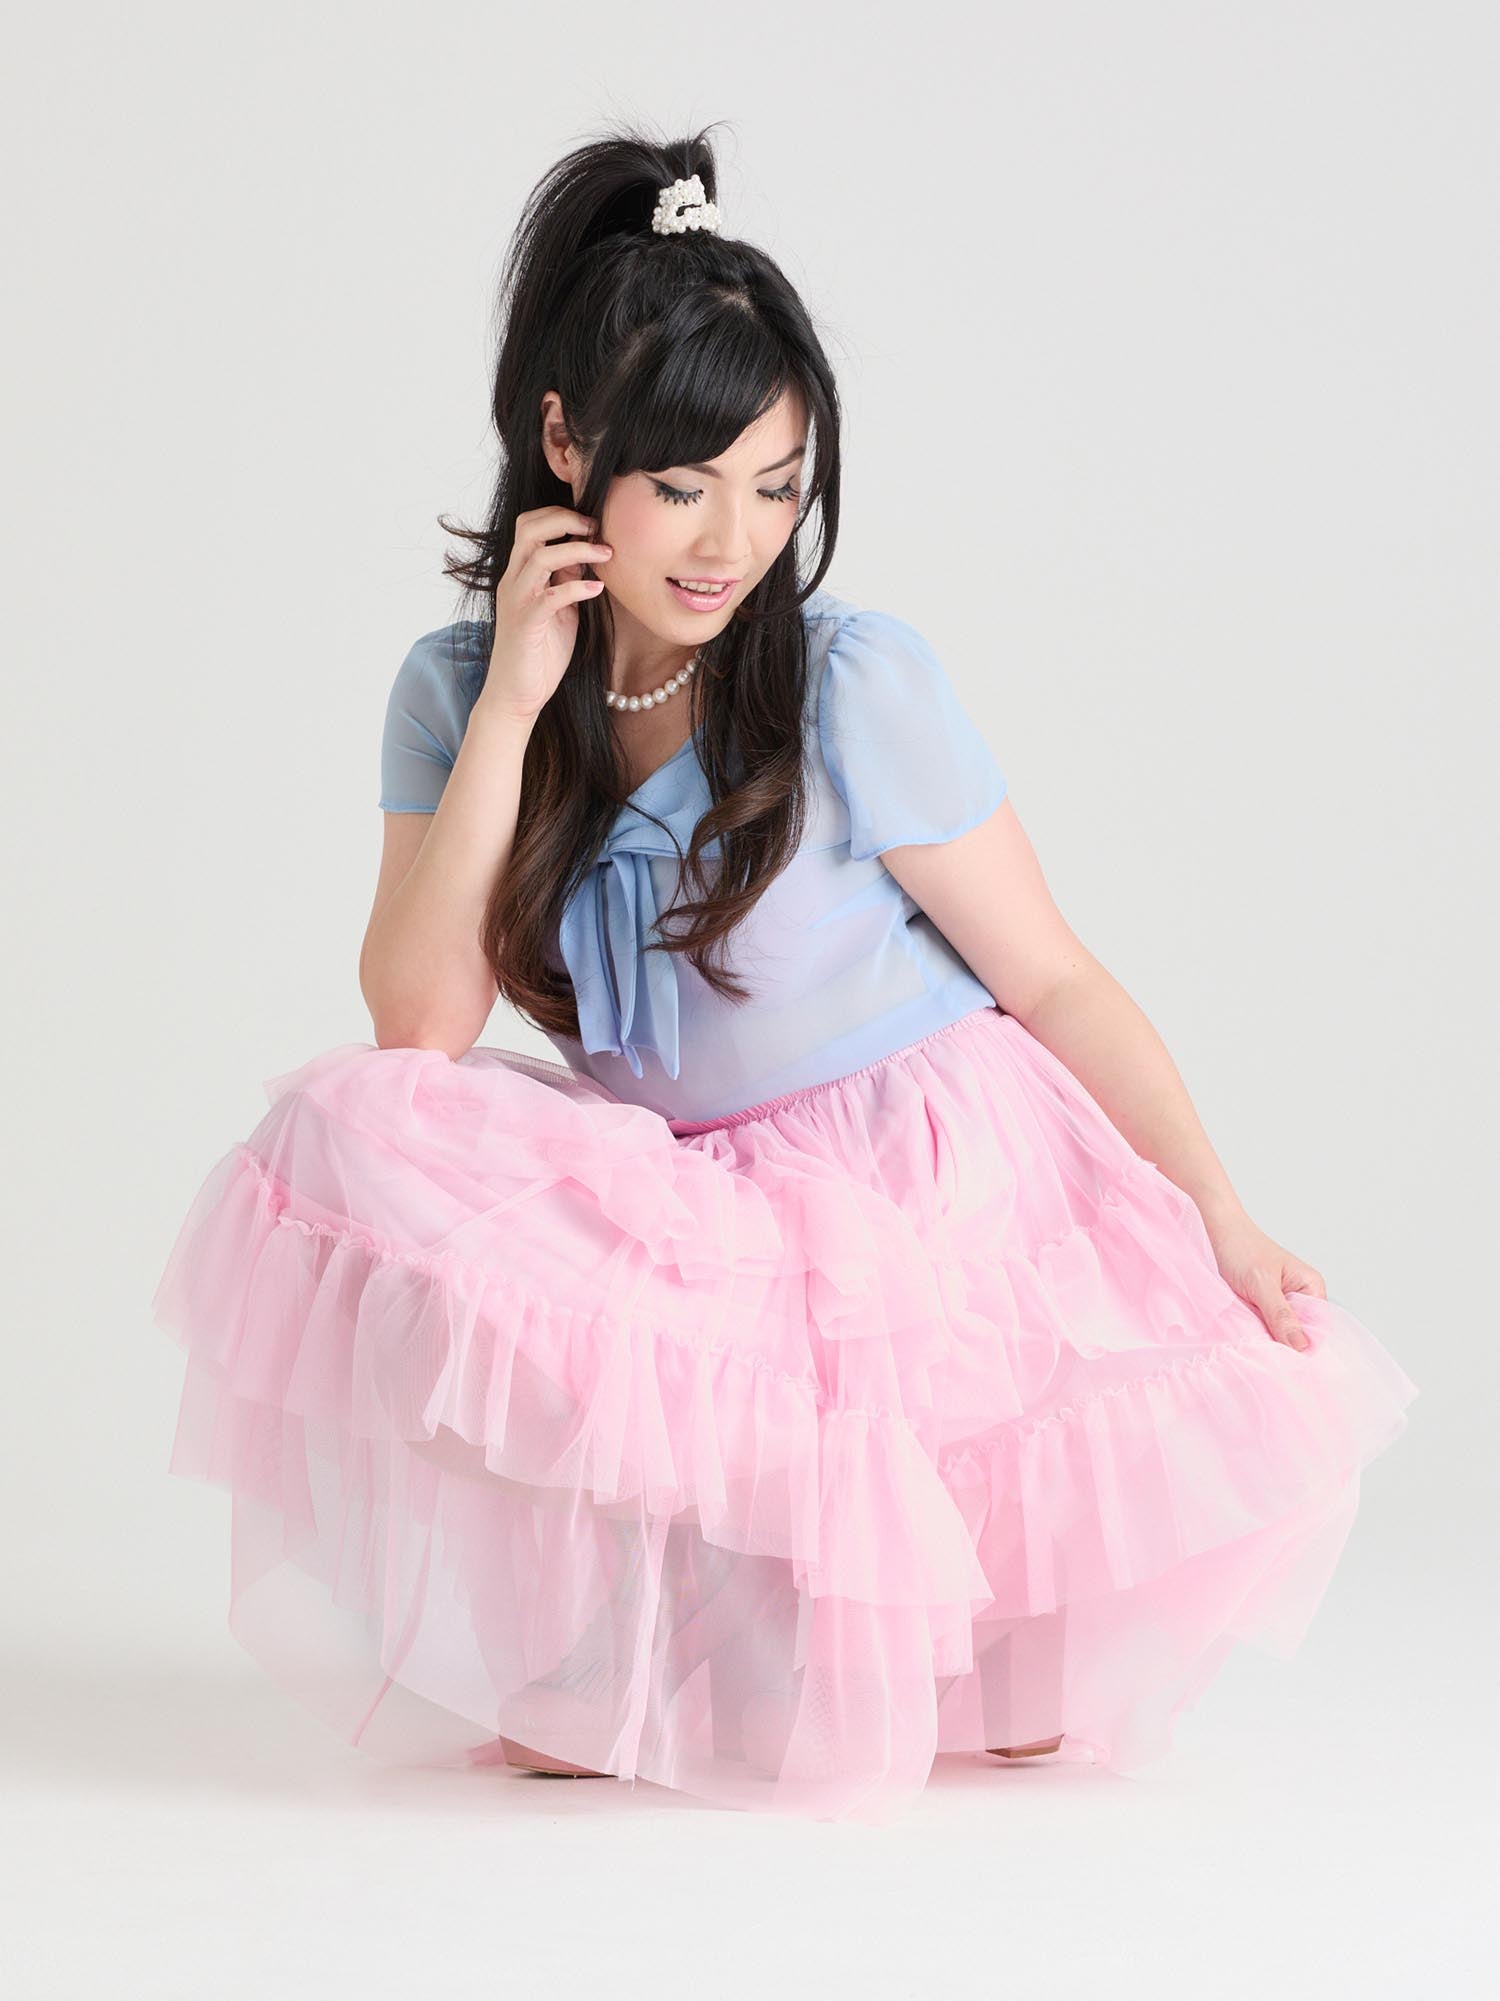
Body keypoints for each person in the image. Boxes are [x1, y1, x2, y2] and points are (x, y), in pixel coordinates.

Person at [150, 125, 1419, 1826]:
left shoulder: (849, 684)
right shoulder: (457, 691)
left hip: (920, 1191)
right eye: (685, 484)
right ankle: (652, 1638)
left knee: (1003, 1706)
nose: (731, 540)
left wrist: (1221, 1213)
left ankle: (904, 1622)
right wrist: (517, 701)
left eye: (776, 484)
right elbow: (419, 1028)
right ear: (566, 444)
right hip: (694, 1200)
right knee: (349, 1124)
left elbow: (1052, 979)